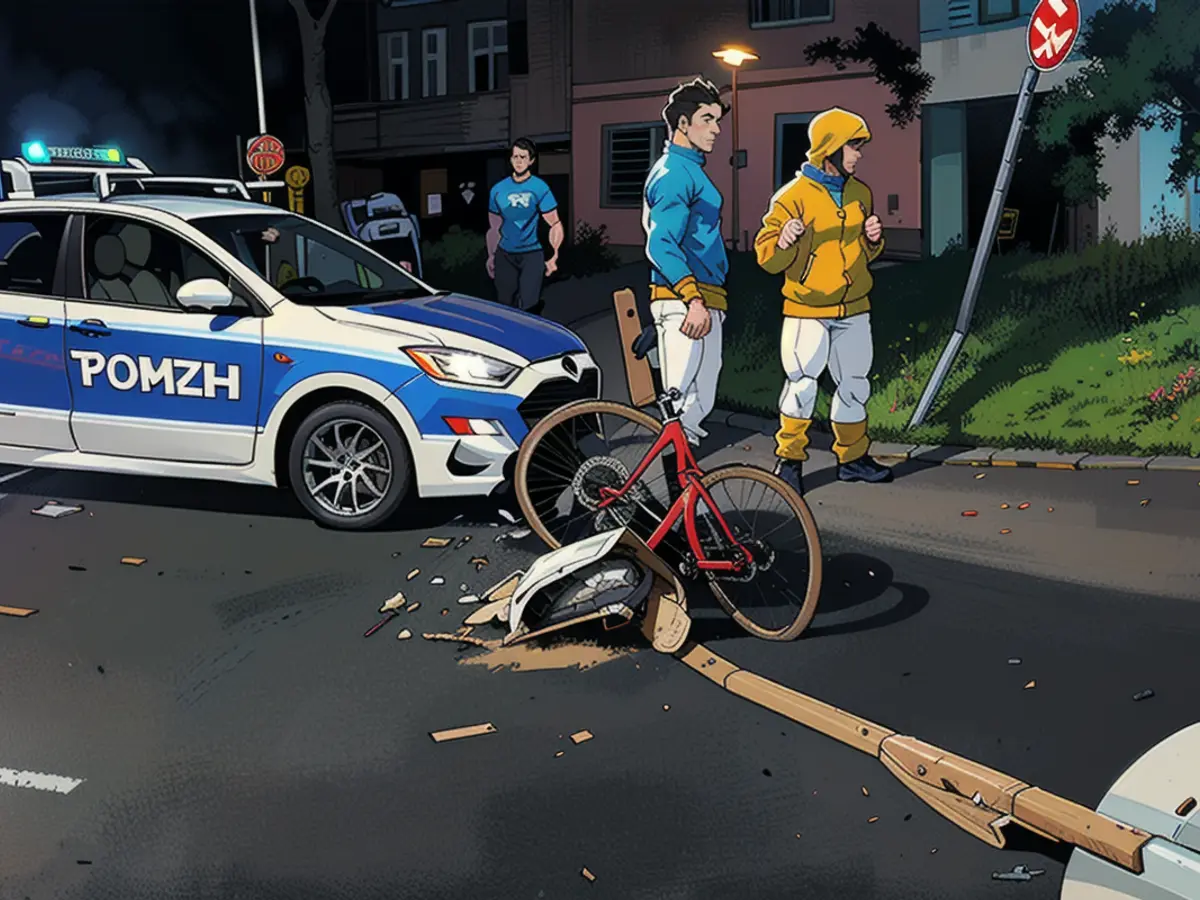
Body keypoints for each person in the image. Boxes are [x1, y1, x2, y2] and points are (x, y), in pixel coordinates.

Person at [753, 106, 895, 496]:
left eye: (859, 146)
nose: (859, 154)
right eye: (853, 145)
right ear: (829, 148)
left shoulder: (860, 193)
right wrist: (783, 240)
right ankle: (790, 460)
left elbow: (866, 254)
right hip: (806, 309)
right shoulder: (792, 197)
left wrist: (872, 239)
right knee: (801, 384)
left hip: (854, 307)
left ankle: (852, 459)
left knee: (854, 384)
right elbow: (766, 257)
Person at [641, 76, 729, 449]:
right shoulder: (674, 173)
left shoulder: (692, 170)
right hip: (684, 302)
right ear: (682, 123)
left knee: (698, 404)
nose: (717, 128)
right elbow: (661, 243)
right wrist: (692, 299)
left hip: (706, 299)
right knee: (677, 408)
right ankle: (658, 499)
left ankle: (683, 503)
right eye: (707, 119)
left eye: (717, 119)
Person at [486, 138, 563, 314]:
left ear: (531, 160)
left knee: (529, 305)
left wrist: (554, 255)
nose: (519, 161)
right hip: (505, 253)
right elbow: (494, 227)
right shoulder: (498, 190)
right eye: (515, 157)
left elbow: (555, 223)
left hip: (531, 254)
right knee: (504, 303)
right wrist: (491, 256)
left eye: (523, 157)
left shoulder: (539, 187)